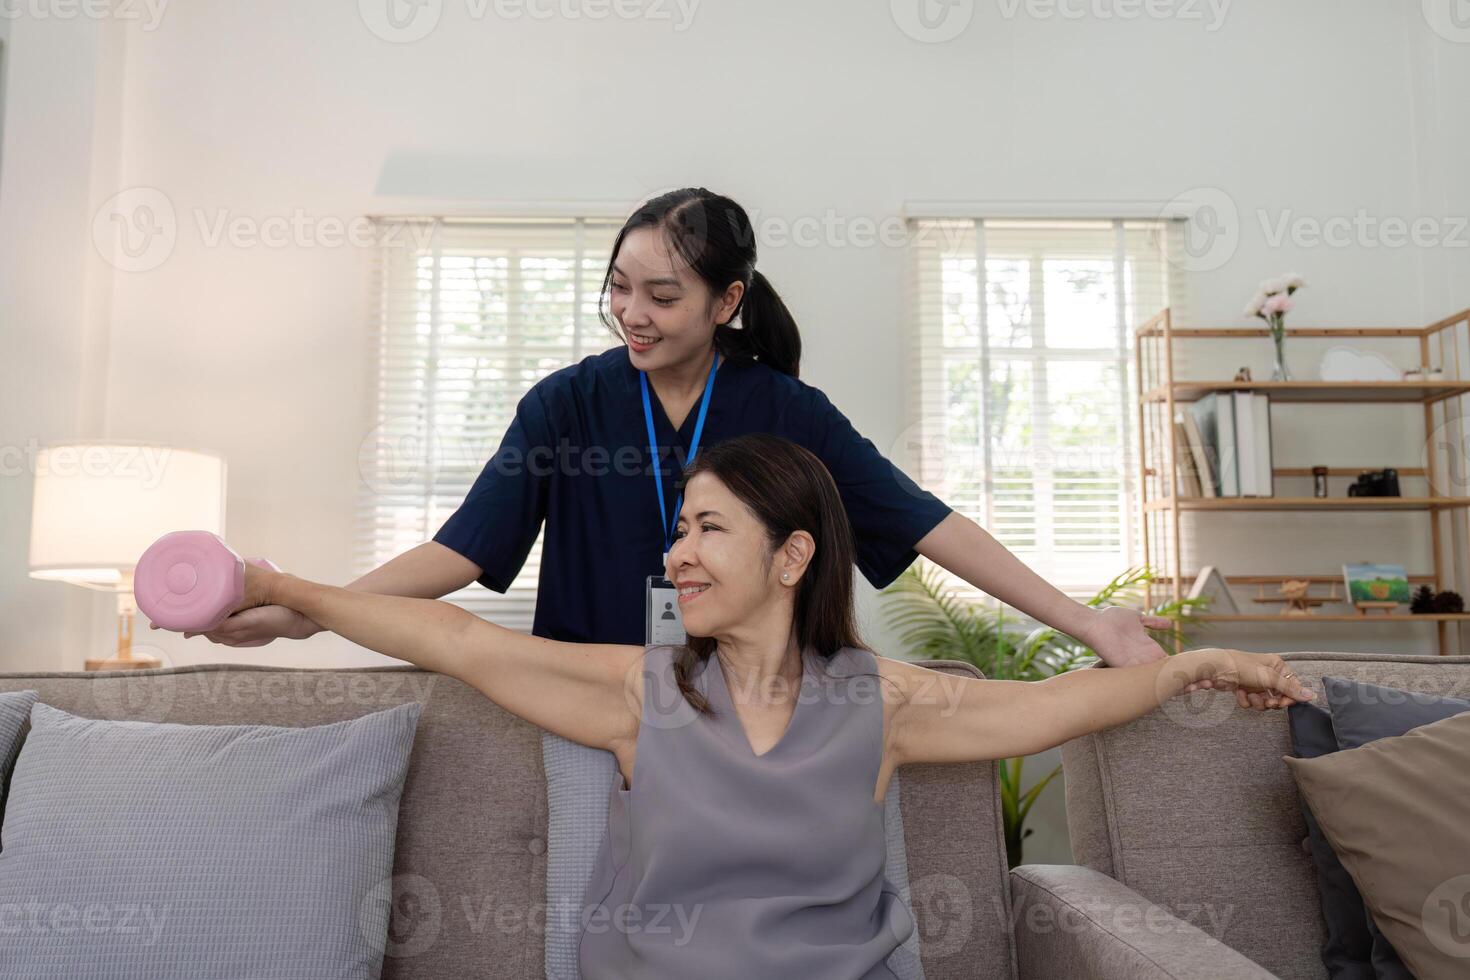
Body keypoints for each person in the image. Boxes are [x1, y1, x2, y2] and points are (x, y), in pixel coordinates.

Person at [222, 433, 1312, 979]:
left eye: (707, 529)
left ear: (792, 554)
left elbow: (1055, 707)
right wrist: (283, 589)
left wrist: (1180, 667)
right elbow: (452, 634)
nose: (677, 552)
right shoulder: (637, 692)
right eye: (679, 526)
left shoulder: (885, 701)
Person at [172, 186, 1282, 708]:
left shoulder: (783, 410)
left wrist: (1090, 620)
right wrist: (300, 608)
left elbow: (930, 521)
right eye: (618, 288)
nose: (632, 312)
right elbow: (462, 553)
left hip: (759, 703)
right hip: (589, 694)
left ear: (729, 300)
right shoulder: (566, 404)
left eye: (662, 292)